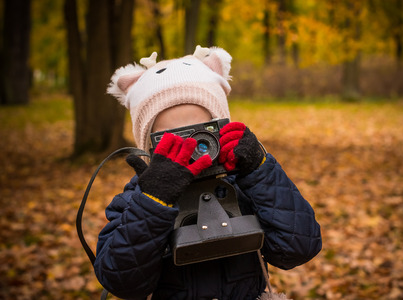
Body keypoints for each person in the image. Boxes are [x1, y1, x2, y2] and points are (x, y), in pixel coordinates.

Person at [94, 46, 322, 300]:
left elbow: (299, 248)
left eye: (201, 134)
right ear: (148, 146)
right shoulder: (138, 199)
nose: (191, 149)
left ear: (222, 128)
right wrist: (153, 202)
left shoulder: (245, 185)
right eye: (173, 139)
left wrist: (259, 170)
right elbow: (121, 282)